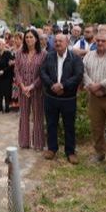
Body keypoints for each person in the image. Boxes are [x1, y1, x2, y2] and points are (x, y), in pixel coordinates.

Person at [40, 34, 85, 163]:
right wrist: (52, 85)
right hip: (51, 97)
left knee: (69, 125)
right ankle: (52, 149)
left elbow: (78, 75)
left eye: (60, 41)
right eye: (56, 41)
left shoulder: (75, 58)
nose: (58, 43)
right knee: (51, 124)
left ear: (67, 42)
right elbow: (42, 72)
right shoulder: (49, 56)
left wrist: (63, 85)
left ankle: (70, 152)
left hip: (68, 98)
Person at [83, 31, 106, 162]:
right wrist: (91, 86)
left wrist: (100, 85)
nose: (99, 43)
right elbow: (83, 72)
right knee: (96, 127)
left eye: (103, 41)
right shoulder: (89, 55)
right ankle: (100, 153)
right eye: (97, 40)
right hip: (94, 97)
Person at [15, 29, 46, 150]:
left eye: (31, 37)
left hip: (37, 90)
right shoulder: (19, 53)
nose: (28, 39)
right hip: (23, 90)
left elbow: (43, 73)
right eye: (27, 37)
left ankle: (38, 143)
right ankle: (24, 142)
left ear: (36, 39)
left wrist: (32, 86)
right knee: (24, 115)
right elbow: (16, 70)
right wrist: (22, 86)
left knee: (38, 116)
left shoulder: (43, 54)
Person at [0, 38, 13, 113]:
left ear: (4, 45)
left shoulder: (8, 53)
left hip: (6, 76)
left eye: (0, 44)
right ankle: (0, 106)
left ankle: (7, 107)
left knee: (7, 92)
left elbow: (10, 65)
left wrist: (3, 71)